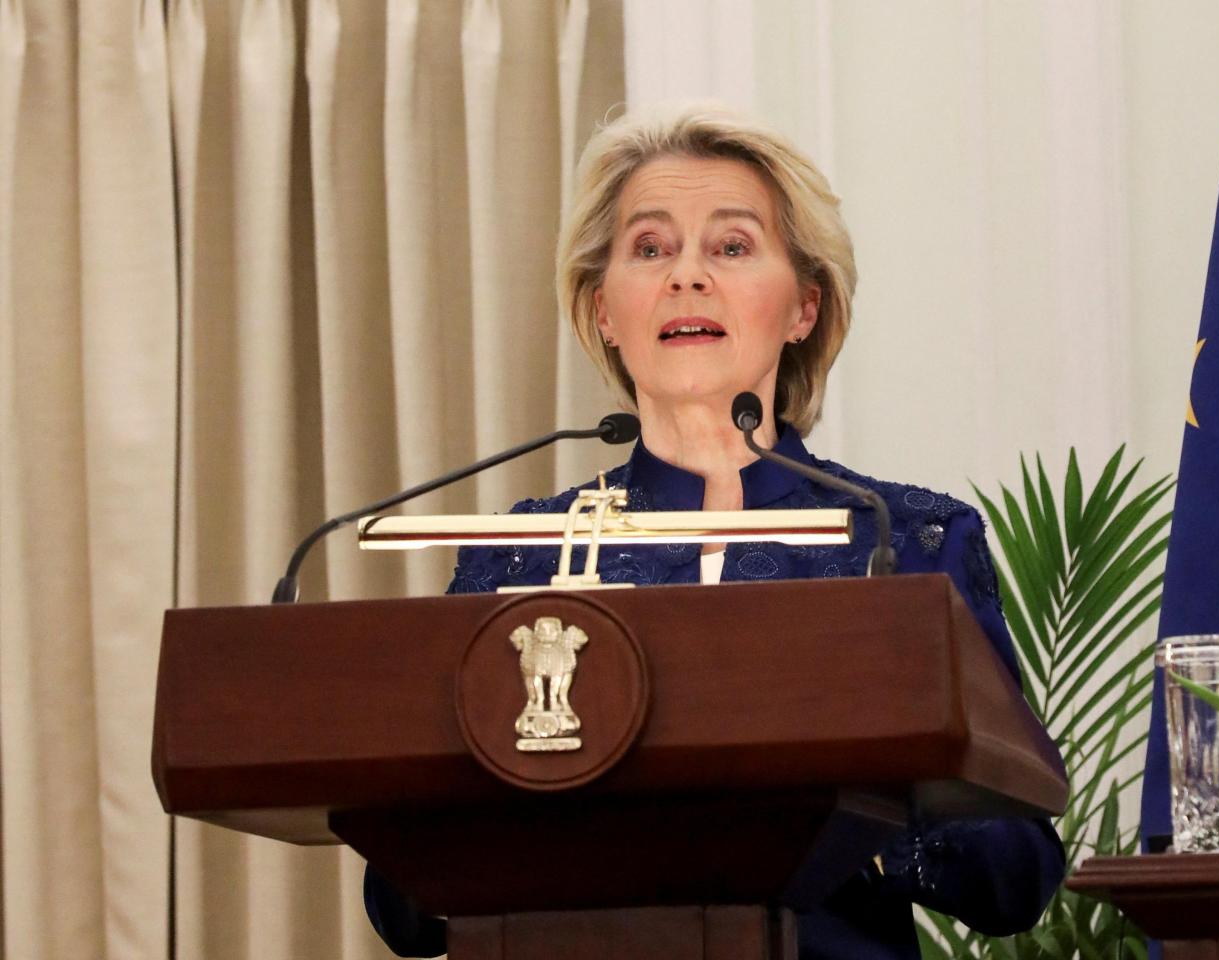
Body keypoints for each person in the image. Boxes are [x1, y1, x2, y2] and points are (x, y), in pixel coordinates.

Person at [364, 103, 1066, 960]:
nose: (686, 275)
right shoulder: (525, 555)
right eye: (650, 248)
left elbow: (1019, 875)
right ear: (605, 312)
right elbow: (405, 907)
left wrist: (864, 810)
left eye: (731, 247)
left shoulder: (906, 545)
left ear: (804, 306)